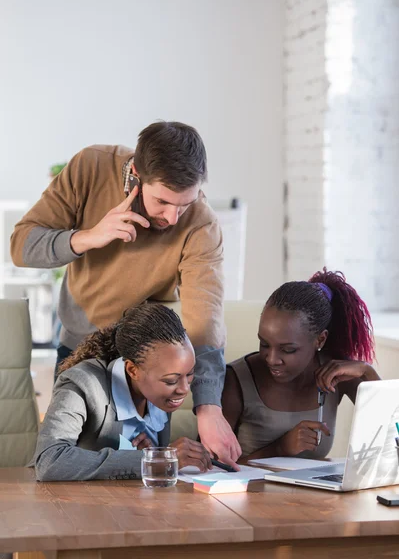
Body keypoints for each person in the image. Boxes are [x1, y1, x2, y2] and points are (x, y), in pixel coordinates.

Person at [11, 121, 240, 467]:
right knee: (76, 474)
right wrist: (86, 237)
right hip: (80, 354)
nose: (172, 217)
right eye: (162, 201)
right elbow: (21, 246)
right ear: (136, 174)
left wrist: (208, 408)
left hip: (149, 370)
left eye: (184, 204)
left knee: (149, 481)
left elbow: (204, 320)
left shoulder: (201, 223)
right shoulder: (90, 167)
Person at [33, 304, 212, 481]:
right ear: (133, 370)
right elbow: (49, 460)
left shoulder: (162, 393)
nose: (184, 389)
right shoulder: (82, 383)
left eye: (190, 374)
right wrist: (153, 459)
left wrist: (147, 455)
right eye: (171, 380)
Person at [221, 269, 380, 461]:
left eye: (287, 350)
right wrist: (279, 448)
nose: (271, 359)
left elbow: (392, 431)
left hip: (319, 491)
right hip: (250, 492)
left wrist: (366, 371)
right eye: (264, 344)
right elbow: (211, 467)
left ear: (320, 340)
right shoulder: (236, 379)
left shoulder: (335, 375)